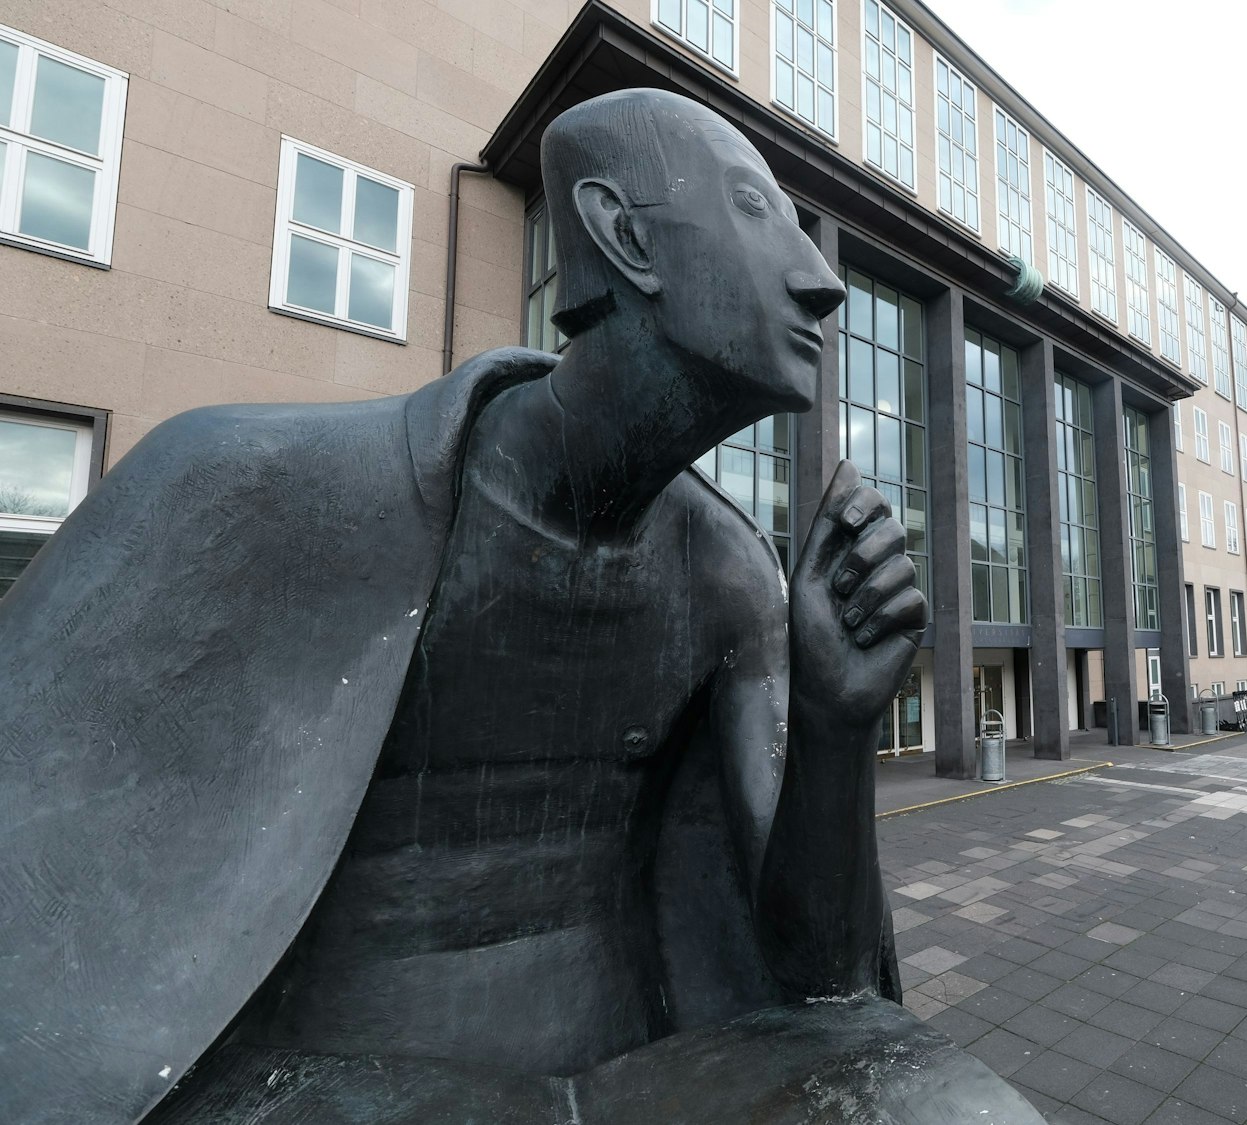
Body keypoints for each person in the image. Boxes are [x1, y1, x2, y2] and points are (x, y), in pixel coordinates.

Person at [2, 90, 1040, 1124]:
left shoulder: (728, 573)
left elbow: (823, 981)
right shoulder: (245, 485)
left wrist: (834, 725)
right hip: (318, 1085)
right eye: (754, 211)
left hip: (642, 1072)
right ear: (623, 235)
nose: (821, 284)